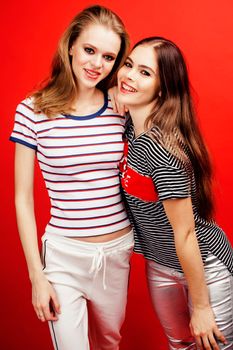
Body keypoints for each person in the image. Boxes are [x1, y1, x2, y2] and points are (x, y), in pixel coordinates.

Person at [10, 5, 133, 350]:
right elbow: (22, 198)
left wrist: (130, 101)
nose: (97, 64)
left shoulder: (120, 106)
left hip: (117, 252)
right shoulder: (32, 109)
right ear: (71, 47)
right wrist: (37, 276)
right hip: (63, 255)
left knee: (110, 342)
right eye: (90, 50)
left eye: (109, 57)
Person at [115, 37, 233, 349]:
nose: (129, 75)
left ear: (163, 88)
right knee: (179, 345)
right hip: (160, 264)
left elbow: (185, 235)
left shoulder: (162, 151)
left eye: (145, 72)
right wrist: (115, 91)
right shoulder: (130, 128)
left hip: (205, 267)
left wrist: (203, 306)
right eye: (128, 65)